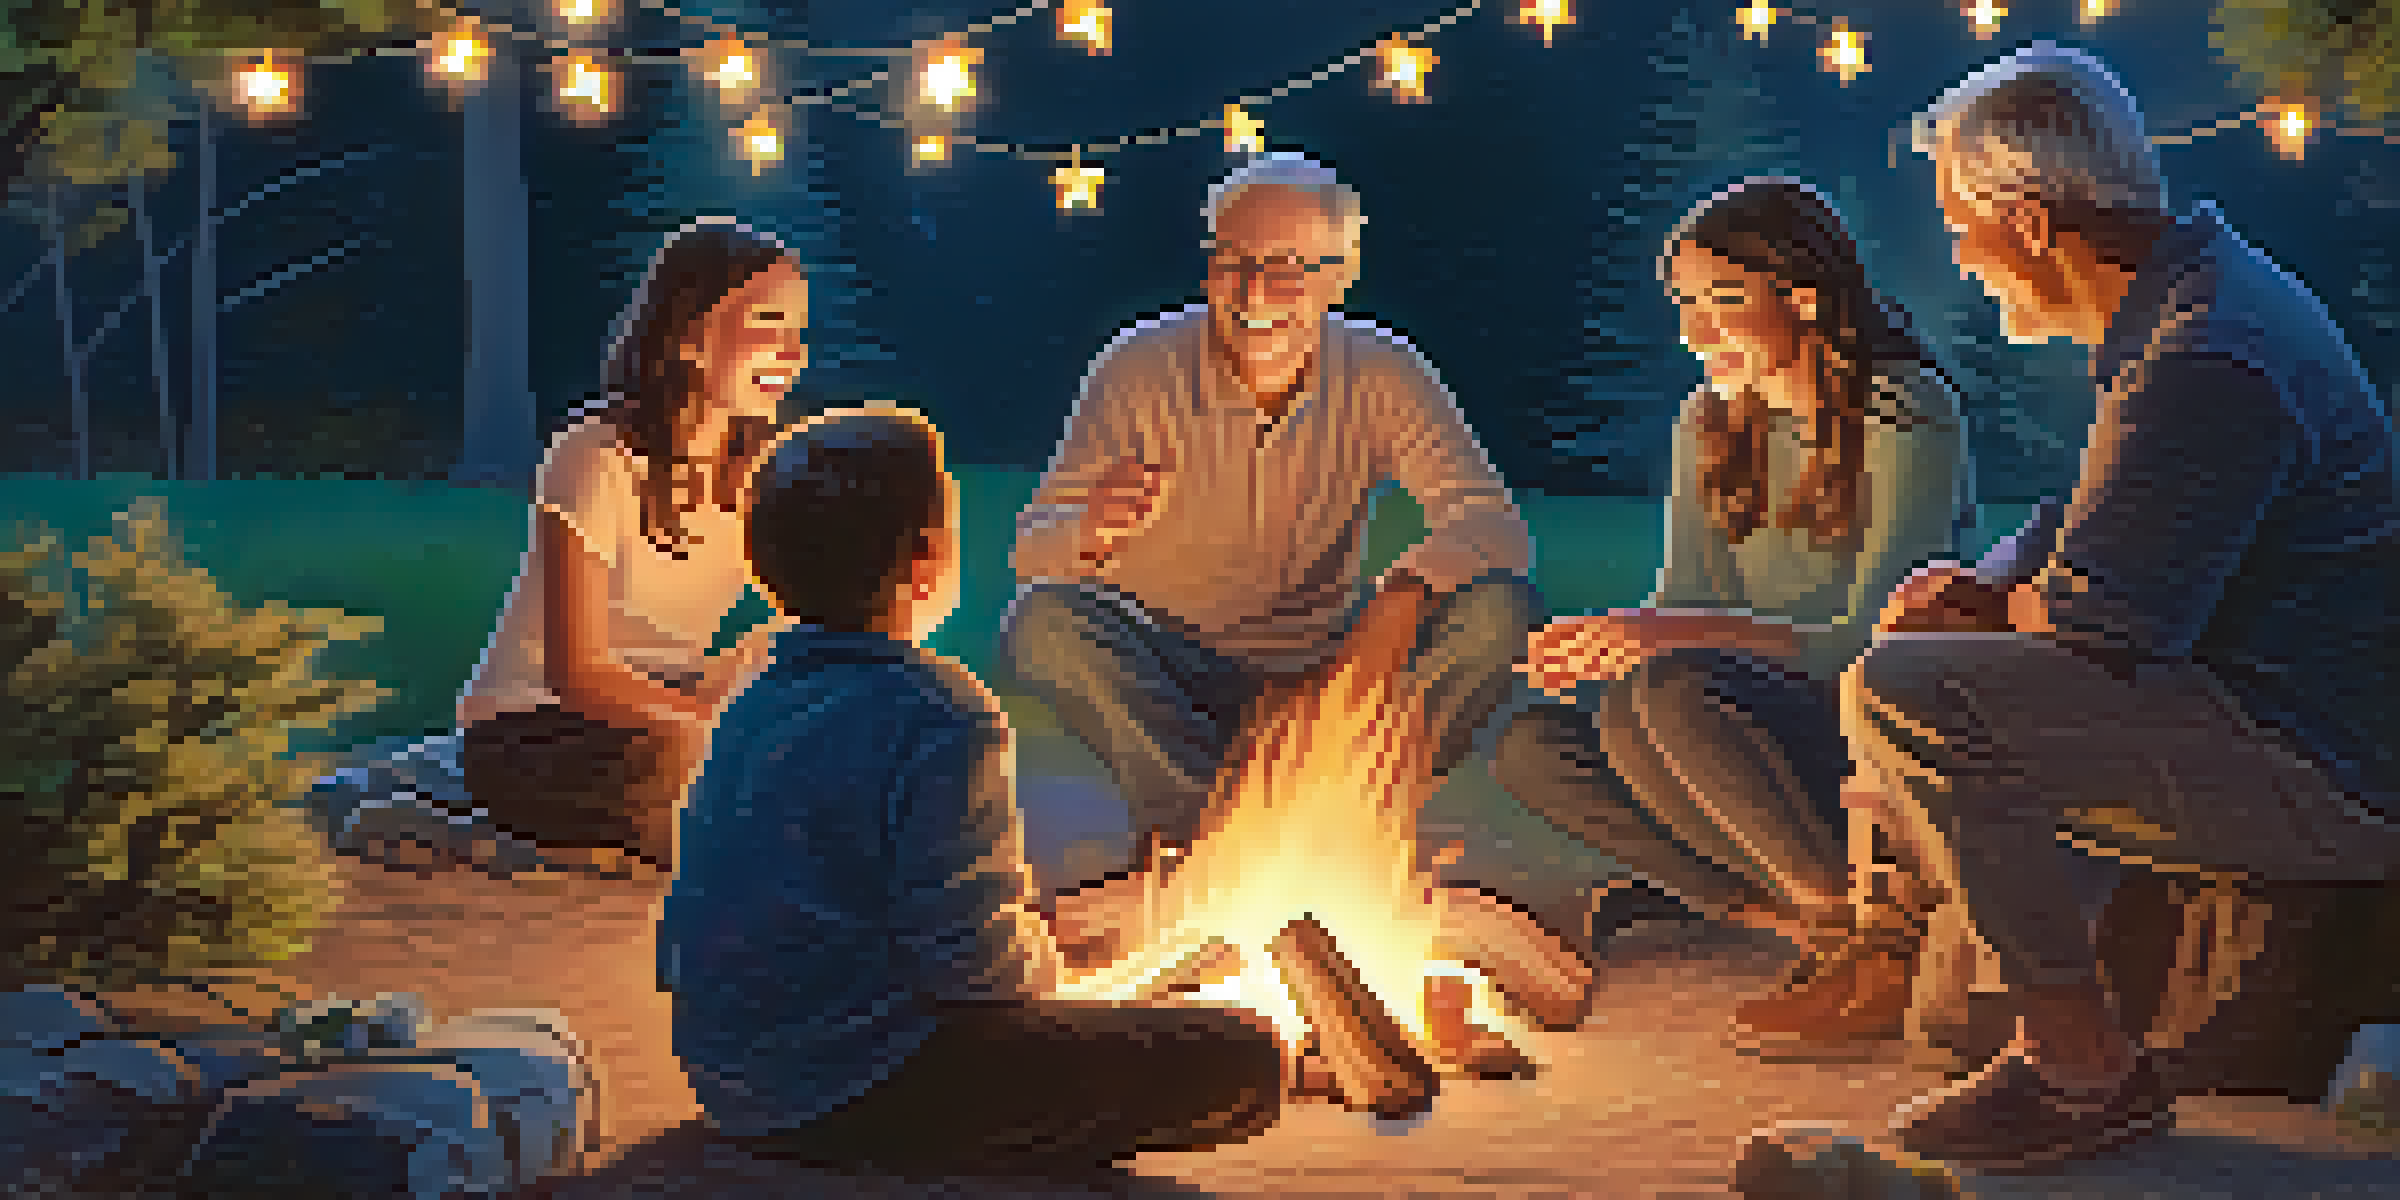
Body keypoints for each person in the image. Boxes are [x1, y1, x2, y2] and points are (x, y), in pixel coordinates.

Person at [1778, 43, 2400, 1170]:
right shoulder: (2187, 304)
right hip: (2270, 713)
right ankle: (2023, 998)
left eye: (1964, 224)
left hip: (2326, 761)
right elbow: (2084, 510)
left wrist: (1970, 623)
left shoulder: (2209, 356)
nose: (1962, 257)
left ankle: (2078, 1069)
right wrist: (1985, 581)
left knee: (1911, 698)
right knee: (1935, 671)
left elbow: (2109, 623)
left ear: (2028, 220)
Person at [659, 409, 1284, 1175]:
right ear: (927, 560)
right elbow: (972, 968)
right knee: (1243, 1056)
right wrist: (1059, 985)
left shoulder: (753, 700)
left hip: (730, 1078)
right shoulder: (939, 714)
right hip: (857, 1086)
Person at [1000, 152, 1542, 868]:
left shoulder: (1381, 371)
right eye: (1233, 261)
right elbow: (1033, 550)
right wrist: (1091, 529)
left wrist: (1404, 596)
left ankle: (1356, 813)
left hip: (1323, 671)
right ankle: (1217, 842)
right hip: (1167, 675)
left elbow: (1493, 527)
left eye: (1287, 266)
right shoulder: (1138, 368)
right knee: (1043, 625)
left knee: (1501, 610)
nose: (1255, 291)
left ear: (1339, 276)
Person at [1489, 178, 1977, 962]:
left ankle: (1856, 928)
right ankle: (1788, 909)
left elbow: (1874, 644)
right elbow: (1685, 601)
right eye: (1683, 303)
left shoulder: (1904, 411)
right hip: (1734, 718)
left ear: (1805, 299)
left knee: (1665, 692)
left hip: (1857, 725)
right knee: (1538, 745)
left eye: (1723, 299)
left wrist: (1669, 634)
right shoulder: (1710, 416)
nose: (1696, 329)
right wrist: (1610, 643)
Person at [453, 216, 805, 870]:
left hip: (671, 707)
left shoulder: (758, 474)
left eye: (796, 335)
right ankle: (442, 826)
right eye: (766, 326)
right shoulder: (597, 456)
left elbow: (806, 611)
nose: (790, 355)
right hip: (535, 728)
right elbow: (578, 673)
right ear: (692, 336)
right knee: (690, 772)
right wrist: (714, 726)